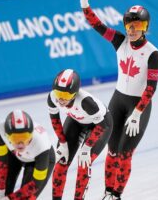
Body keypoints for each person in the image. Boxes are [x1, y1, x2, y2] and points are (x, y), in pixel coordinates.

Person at [80, 0, 158, 200]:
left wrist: (137, 113)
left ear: (145, 27)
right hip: (117, 101)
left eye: (138, 25)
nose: (132, 29)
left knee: (125, 155)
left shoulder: (153, 54)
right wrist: (85, 7)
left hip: (138, 106)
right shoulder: (119, 41)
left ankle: (117, 194)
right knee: (112, 151)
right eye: (129, 25)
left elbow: (151, 88)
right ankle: (108, 193)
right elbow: (98, 26)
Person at [48, 69, 113, 200]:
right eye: (58, 93)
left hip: (100, 125)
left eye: (65, 96)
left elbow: (102, 126)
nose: (60, 99)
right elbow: (55, 120)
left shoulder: (86, 102)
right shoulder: (52, 98)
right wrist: (62, 143)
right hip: (76, 120)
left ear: (75, 94)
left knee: (83, 163)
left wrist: (86, 148)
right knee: (62, 161)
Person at [0, 109, 55, 200]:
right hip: (14, 155)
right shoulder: (0, 130)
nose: (20, 144)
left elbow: (35, 184)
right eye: (15, 138)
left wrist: (10, 198)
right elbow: (1, 163)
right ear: (7, 135)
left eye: (24, 137)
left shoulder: (41, 144)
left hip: (37, 160)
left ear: (31, 135)